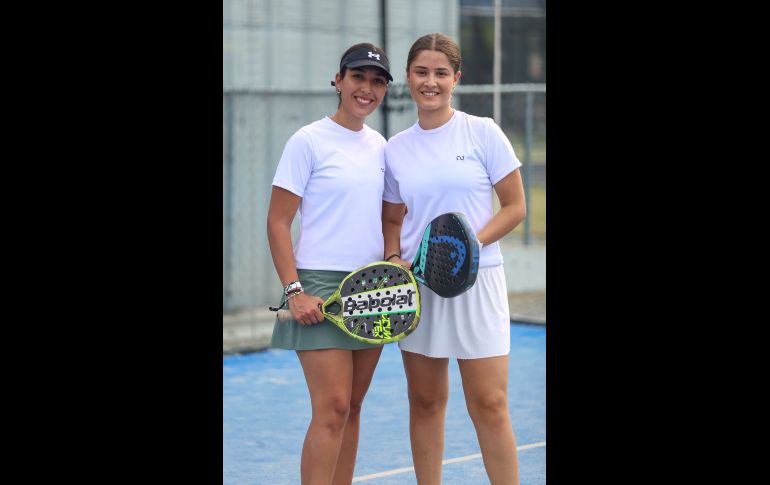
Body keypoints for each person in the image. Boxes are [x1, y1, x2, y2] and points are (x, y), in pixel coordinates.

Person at [382, 33, 526, 485]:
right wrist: (393, 257)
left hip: (478, 283)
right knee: (425, 401)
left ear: (456, 78)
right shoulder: (395, 149)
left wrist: (465, 247)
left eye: (441, 73)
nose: (431, 82)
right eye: (421, 72)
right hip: (421, 290)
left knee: (490, 404)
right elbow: (392, 217)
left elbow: (516, 206)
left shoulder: (483, 131)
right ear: (408, 77)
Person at [267, 43, 393, 485]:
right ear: (338, 81)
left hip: (372, 288)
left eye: (377, 81)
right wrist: (294, 290)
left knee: (353, 407)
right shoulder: (307, 140)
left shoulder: (380, 146)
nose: (367, 88)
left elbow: (386, 216)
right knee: (333, 407)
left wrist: (393, 261)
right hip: (319, 285)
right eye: (358, 77)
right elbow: (278, 222)